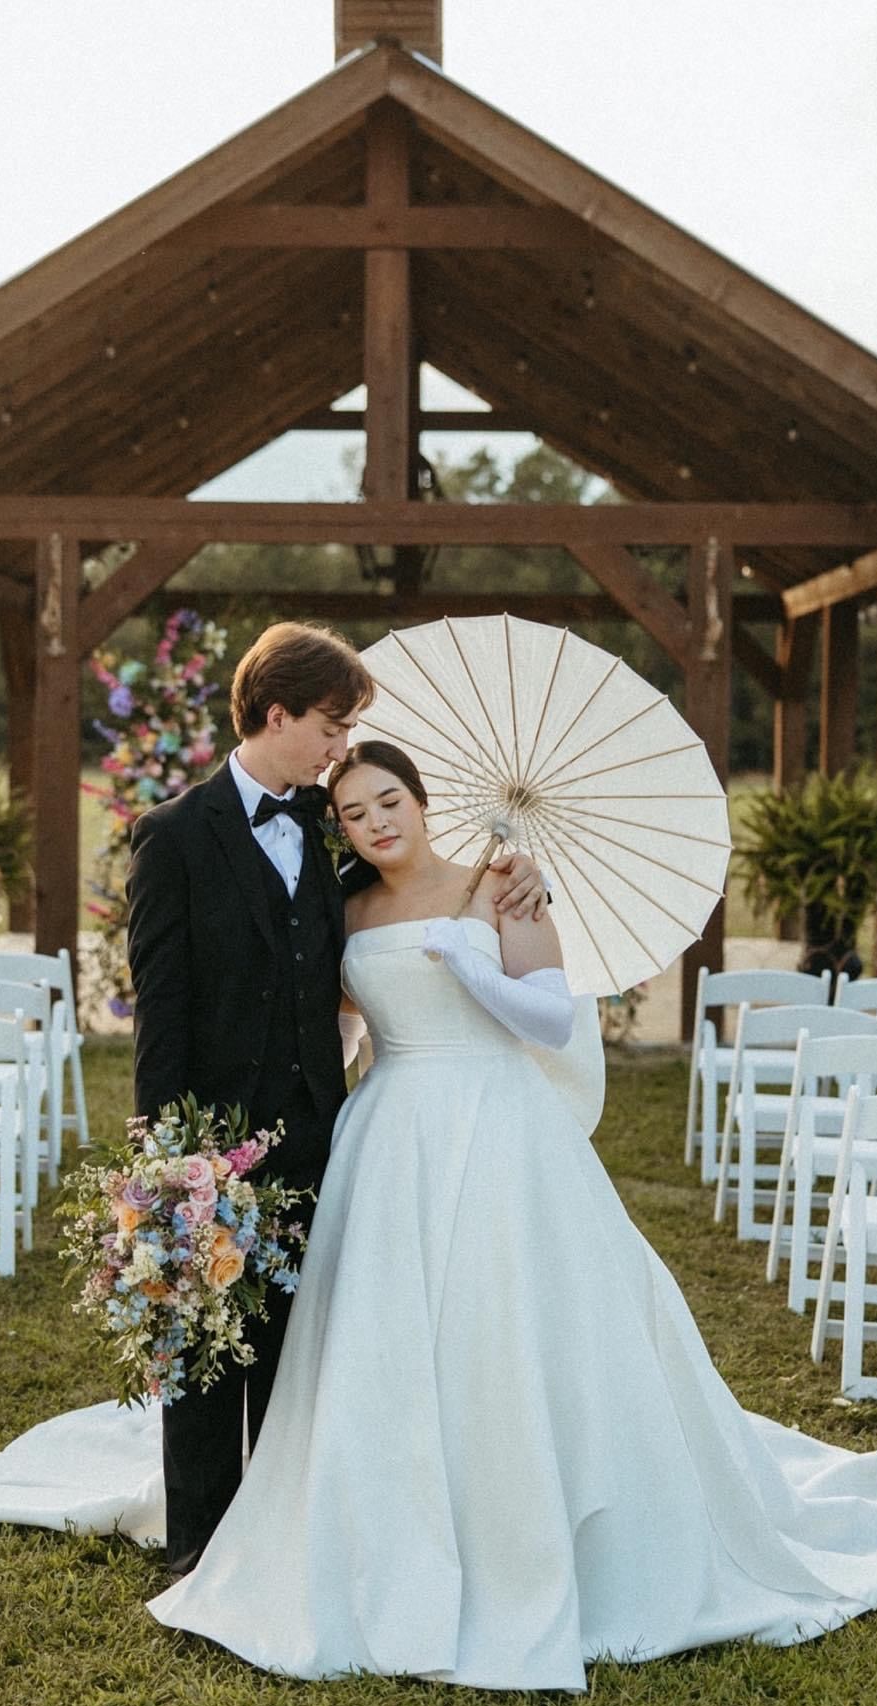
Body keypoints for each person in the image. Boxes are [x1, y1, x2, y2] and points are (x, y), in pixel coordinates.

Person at [139, 740, 877, 1688]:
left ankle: (537, 1523)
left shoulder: (506, 886)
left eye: (390, 800)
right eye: (355, 813)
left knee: (509, 1325)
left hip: (500, 1126)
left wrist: (470, 965)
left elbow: (550, 1020)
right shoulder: (343, 903)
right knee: (389, 1335)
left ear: (422, 798)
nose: (377, 823)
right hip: (390, 1131)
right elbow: (342, 1016)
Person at [122, 623, 544, 1577]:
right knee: (203, 1343)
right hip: (210, 1132)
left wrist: (514, 879)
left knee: (291, 1334)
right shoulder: (175, 836)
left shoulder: (327, 824)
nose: (341, 749)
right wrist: (166, 1158)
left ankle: (282, 1521)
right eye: (332, 726)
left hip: (324, 1123)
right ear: (279, 714)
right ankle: (197, 1540)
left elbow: (411, 890)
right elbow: (163, 1007)